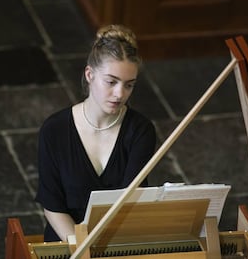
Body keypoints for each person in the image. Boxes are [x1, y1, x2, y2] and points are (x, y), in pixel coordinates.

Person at [35, 24, 157, 242]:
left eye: (129, 85)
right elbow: (53, 206)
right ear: (90, 74)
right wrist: (81, 249)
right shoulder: (54, 131)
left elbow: (129, 206)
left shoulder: (140, 131)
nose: (120, 94)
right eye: (111, 82)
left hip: (118, 243)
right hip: (67, 242)